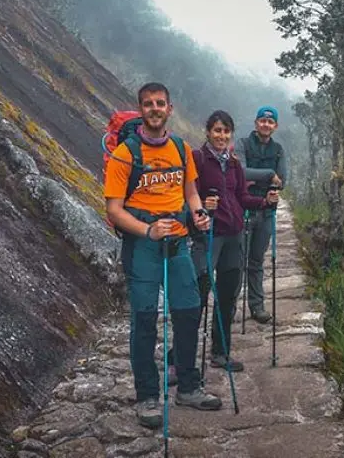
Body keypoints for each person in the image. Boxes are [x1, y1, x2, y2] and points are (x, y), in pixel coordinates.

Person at [104, 82, 222, 429]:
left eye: (160, 103)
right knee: (144, 321)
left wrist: (198, 213)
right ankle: (147, 397)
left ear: (170, 108)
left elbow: (189, 191)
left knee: (188, 312)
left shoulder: (181, 149)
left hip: (179, 242)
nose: (155, 108)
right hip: (142, 245)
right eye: (148, 104)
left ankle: (187, 386)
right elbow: (113, 209)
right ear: (141, 109)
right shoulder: (125, 154)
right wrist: (147, 231)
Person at [192, 110, 279, 371]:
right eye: (217, 130)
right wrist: (202, 206)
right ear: (208, 132)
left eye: (226, 131)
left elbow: (242, 197)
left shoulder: (233, 164)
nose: (221, 135)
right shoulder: (197, 159)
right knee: (197, 296)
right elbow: (190, 194)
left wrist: (264, 202)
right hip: (208, 236)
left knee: (227, 297)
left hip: (233, 236)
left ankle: (221, 353)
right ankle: (180, 358)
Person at [234, 105, 288, 324]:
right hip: (243, 209)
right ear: (256, 123)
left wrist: (257, 179)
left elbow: (283, 181)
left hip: (266, 212)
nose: (266, 124)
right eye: (262, 121)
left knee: (256, 261)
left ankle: (257, 307)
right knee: (236, 262)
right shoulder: (243, 144)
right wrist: (269, 174)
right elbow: (240, 173)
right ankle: (228, 307)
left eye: (270, 122)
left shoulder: (278, 150)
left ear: (275, 126)